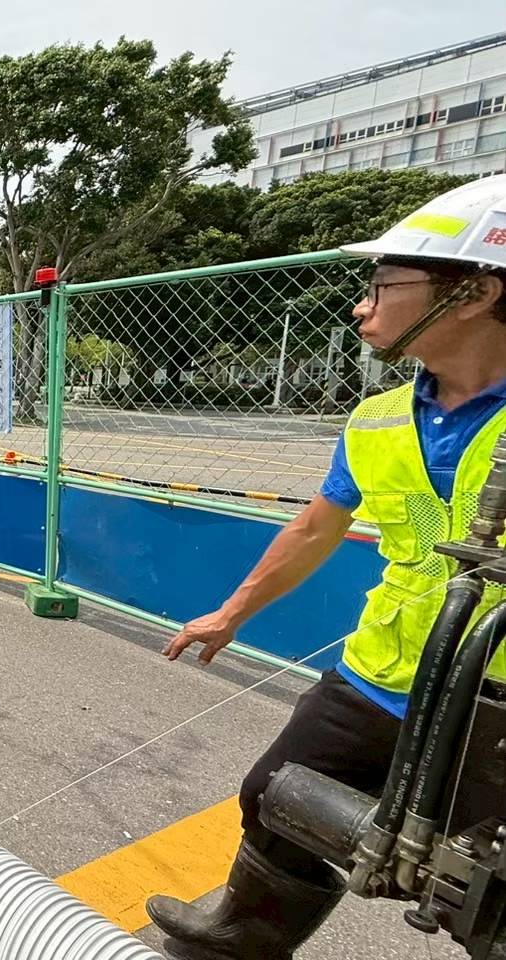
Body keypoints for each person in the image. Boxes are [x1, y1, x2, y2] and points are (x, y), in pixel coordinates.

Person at [145, 178, 506, 957]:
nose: (360, 307)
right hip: (383, 669)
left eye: (383, 285)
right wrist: (231, 614)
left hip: (495, 697)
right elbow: (316, 527)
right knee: (276, 797)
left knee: (483, 895)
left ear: (476, 292)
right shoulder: (377, 418)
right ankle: (242, 935)